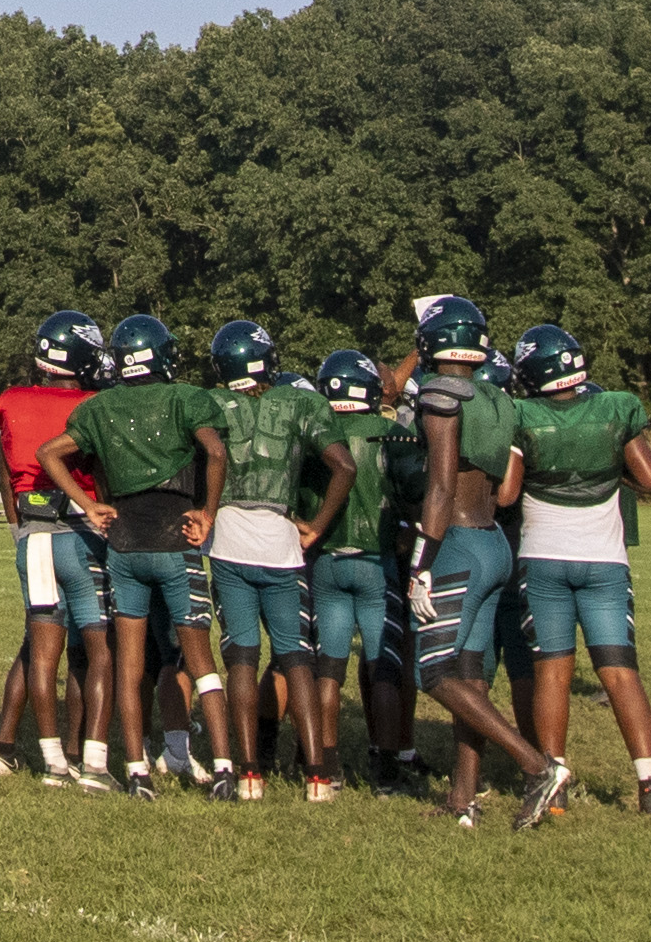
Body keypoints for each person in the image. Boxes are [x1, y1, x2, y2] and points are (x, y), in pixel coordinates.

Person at [389, 300, 558, 830]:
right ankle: (463, 796)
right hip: (493, 542)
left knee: (434, 673)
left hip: (457, 542)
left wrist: (423, 560)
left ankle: (536, 766)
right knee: (470, 674)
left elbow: (439, 486)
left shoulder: (441, 394)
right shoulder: (497, 397)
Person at [46, 314, 220, 793]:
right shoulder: (186, 398)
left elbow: (50, 452)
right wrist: (208, 510)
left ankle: (137, 764)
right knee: (188, 655)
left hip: (122, 543)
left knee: (131, 660)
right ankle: (221, 762)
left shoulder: (101, 406)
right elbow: (217, 453)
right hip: (176, 540)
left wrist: (90, 505)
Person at [502, 326, 651, 814]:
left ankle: (551, 783)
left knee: (552, 674)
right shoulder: (614, 409)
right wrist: (604, 464)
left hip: (545, 559)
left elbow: (509, 494)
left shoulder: (522, 416)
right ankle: (650, 786)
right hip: (605, 562)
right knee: (620, 673)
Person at [194, 321, 322, 800]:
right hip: (283, 542)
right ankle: (317, 776)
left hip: (229, 540)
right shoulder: (300, 402)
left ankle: (249, 773)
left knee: (242, 658)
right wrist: (318, 524)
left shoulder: (211, 403)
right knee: (295, 658)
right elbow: (344, 465)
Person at [0, 314, 104, 784]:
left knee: (37, 645)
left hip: (31, 532)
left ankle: (14, 749)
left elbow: (2, 474)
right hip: (80, 532)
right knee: (90, 649)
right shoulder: (94, 405)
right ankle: (79, 756)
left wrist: (17, 526)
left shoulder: (12, 401)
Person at [287, 352, 396, 798]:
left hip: (328, 558)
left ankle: (327, 764)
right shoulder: (395, 434)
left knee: (329, 668)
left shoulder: (317, 435)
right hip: (378, 560)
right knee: (383, 666)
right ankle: (387, 769)